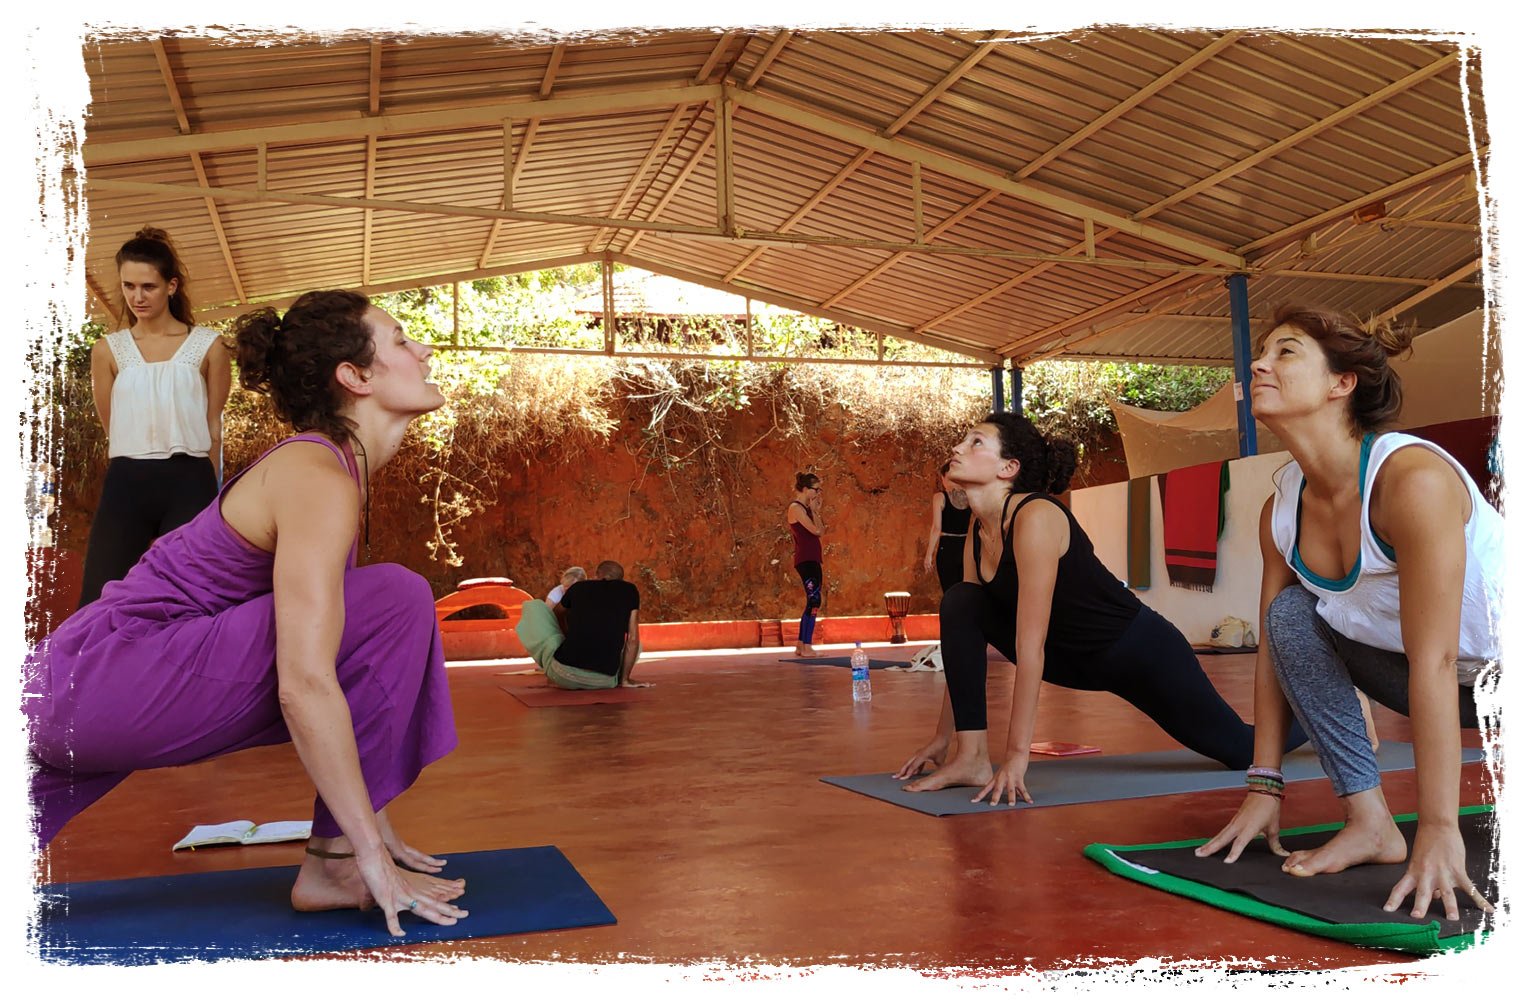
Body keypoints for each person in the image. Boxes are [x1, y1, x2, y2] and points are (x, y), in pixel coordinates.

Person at [25, 289, 466, 938]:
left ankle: (336, 860)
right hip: (103, 679)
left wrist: (372, 824)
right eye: (401, 340)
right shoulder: (318, 477)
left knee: (370, 609)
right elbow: (306, 681)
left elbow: (350, 670)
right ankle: (335, 865)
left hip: (67, 689)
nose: (424, 350)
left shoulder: (321, 467)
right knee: (394, 598)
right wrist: (366, 851)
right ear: (355, 376)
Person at [1196, 305, 1499, 923]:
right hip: (1440, 683)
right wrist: (1264, 783)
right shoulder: (1281, 511)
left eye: (1285, 352)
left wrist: (1440, 829)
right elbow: (1276, 649)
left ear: (1342, 382)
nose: (1258, 365)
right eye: (1261, 353)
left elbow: (1437, 658)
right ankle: (1370, 823)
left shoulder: (1410, 479)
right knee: (1290, 614)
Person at [895, 412, 1305, 803]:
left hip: (1136, 652)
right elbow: (964, 637)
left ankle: (1316, 715)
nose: (958, 447)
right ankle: (971, 757)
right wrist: (942, 738)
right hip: (1070, 657)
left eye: (976, 442)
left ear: (1008, 468)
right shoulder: (978, 529)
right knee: (961, 601)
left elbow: (1029, 646)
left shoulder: (1035, 516)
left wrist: (1018, 758)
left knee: (1241, 750)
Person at [77, 227, 233, 608]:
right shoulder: (108, 350)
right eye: (129, 286)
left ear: (171, 286)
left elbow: (213, 428)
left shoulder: (209, 346)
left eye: (148, 286)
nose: (137, 297)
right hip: (127, 481)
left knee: (192, 599)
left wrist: (211, 498)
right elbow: (112, 425)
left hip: (190, 481)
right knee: (98, 598)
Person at [516, 560, 648, 689]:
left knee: (535, 607)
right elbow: (632, 639)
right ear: (621, 580)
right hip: (604, 681)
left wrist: (566, 635)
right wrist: (625, 680)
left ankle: (552, 676)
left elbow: (555, 614)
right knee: (636, 646)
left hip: (563, 675)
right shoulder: (629, 590)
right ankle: (624, 680)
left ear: (597, 575)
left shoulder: (578, 587)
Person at [787, 472, 825, 657]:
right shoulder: (796, 508)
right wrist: (814, 511)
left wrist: (815, 511)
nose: (817, 493)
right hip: (806, 560)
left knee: (813, 600)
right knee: (814, 600)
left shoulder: (807, 509)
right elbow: (815, 530)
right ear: (805, 489)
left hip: (813, 558)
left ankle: (801, 645)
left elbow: (821, 531)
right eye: (815, 489)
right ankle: (807, 646)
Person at [922, 461, 972, 592]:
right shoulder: (971, 495)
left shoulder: (939, 497)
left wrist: (929, 555)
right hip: (967, 547)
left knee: (950, 591)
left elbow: (936, 528)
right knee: (965, 591)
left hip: (947, 547)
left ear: (943, 477)